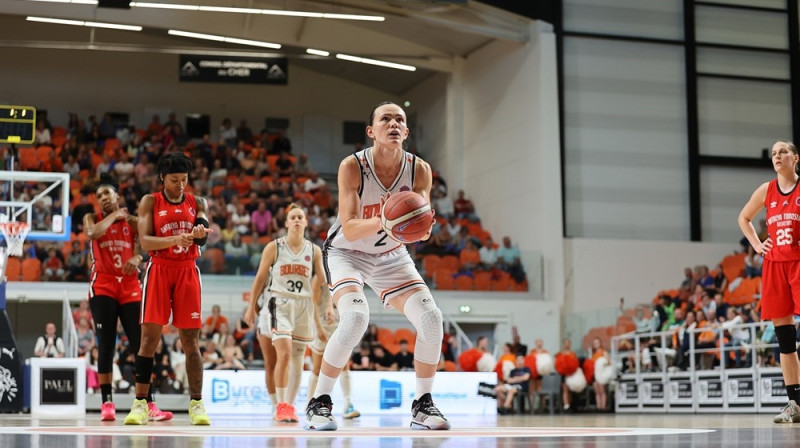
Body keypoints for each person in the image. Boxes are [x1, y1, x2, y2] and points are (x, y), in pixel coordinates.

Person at [305, 101, 450, 431]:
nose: (394, 124)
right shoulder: (352, 166)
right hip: (347, 252)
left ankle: (423, 404)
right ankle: (319, 402)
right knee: (356, 317)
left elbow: (422, 229)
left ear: (407, 131)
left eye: (400, 119)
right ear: (371, 131)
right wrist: (386, 219)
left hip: (390, 256)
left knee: (431, 318)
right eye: (385, 119)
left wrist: (421, 227)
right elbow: (351, 226)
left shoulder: (420, 170)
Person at [123, 152, 212, 426]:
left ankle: (197, 404)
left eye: (184, 180)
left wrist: (200, 232)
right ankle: (140, 404)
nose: (180, 185)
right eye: (175, 180)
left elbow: (204, 226)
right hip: (160, 269)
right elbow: (146, 242)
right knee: (149, 340)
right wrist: (176, 237)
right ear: (163, 178)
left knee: (191, 342)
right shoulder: (150, 201)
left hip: (187, 270)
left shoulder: (197, 201)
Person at [85, 173, 172, 422]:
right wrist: (114, 215)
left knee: (141, 345)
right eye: (99, 195)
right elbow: (92, 233)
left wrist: (138, 257)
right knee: (106, 344)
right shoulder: (92, 217)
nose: (102, 198)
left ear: (117, 196)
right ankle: (107, 402)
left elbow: (147, 240)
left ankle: (149, 403)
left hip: (130, 287)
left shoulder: (132, 222)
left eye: (106, 194)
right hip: (102, 286)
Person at [245, 204, 327, 423]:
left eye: (301, 216)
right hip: (279, 302)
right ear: (287, 223)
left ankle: (289, 406)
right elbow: (260, 278)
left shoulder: (314, 250)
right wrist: (251, 306)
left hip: (304, 305)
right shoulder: (274, 247)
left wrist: (328, 306)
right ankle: (279, 404)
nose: (298, 220)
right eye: (293, 217)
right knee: (284, 354)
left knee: (298, 360)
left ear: (307, 222)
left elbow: (324, 282)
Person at [738, 140, 800, 423]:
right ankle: (795, 404)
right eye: (774, 153)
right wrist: (757, 244)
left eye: (783, 152)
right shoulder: (766, 190)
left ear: (795, 158)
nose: (777, 156)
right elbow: (744, 218)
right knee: (785, 340)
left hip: (798, 263)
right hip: (774, 265)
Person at [306, 284, 361, 419]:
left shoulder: (341, 273)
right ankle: (311, 403)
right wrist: (318, 328)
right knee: (318, 368)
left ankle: (348, 404)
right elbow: (312, 304)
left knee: (344, 365)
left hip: (338, 323)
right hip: (323, 325)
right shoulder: (319, 279)